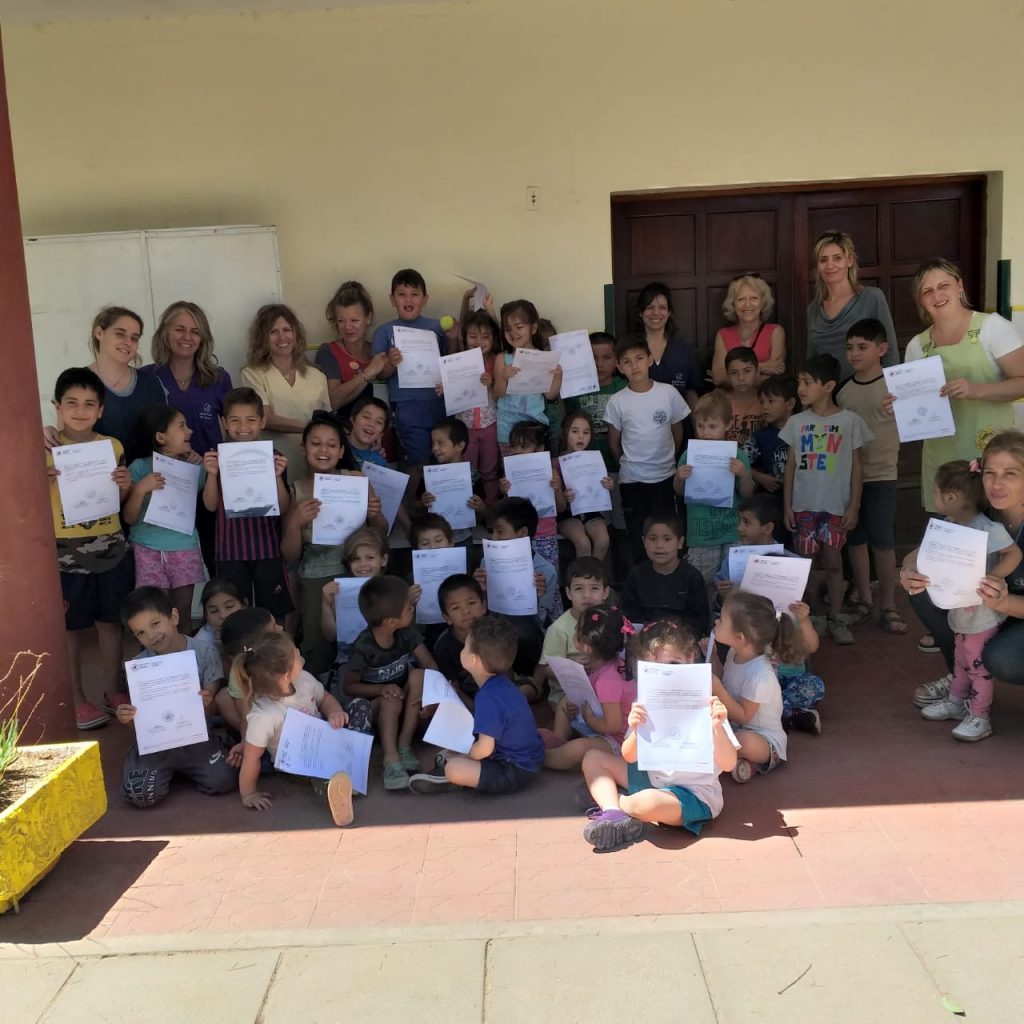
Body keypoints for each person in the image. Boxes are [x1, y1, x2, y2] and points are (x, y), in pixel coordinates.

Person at [579, 621, 736, 851]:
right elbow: (630, 756)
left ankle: (614, 802)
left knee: (644, 803)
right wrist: (634, 727)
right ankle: (613, 812)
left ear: (691, 658)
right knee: (592, 757)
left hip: (693, 795)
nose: (668, 674)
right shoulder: (645, 703)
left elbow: (729, 762)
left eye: (674, 663)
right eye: (658, 669)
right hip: (651, 778)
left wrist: (718, 727)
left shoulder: (707, 704)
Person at [902, 431, 1024, 710]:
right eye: (990, 472)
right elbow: (920, 553)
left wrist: (1005, 601)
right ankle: (961, 675)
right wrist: (908, 570)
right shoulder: (980, 510)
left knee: (1003, 658)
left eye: (1010, 474)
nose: (997, 483)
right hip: (990, 609)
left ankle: (977, 681)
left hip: (1014, 611)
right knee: (923, 592)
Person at [899, 258, 1024, 512]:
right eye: (927, 291)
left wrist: (976, 390)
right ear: (920, 300)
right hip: (942, 459)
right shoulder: (917, 346)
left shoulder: (992, 328)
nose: (937, 295)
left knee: (997, 539)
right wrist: (900, 407)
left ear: (959, 286)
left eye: (943, 285)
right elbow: (918, 413)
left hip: (992, 460)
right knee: (951, 543)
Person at [47, 367, 134, 729]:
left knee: (111, 623)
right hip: (65, 554)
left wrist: (126, 484)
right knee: (71, 629)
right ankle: (77, 698)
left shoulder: (111, 447)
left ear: (100, 410)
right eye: (71, 403)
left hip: (111, 548)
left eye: (89, 404)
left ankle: (112, 690)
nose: (80, 411)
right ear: (57, 407)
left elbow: (120, 498)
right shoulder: (46, 449)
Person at [280, 411, 386, 677]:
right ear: (303, 449)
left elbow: (381, 534)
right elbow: (290, 555)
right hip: (316, 577)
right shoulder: (296, 489)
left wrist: (375, 515)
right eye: (316, 443)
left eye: (331, 444)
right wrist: (295, 523)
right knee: (320, 649)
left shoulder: (357, 480)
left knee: (369, 642)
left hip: (360, 572)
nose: (323, 450)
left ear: (341, 451)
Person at [780, 354, 872, 645]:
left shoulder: (850, 421)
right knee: (804, 565)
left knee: (833, 563)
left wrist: (854, 505)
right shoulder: (796, 422)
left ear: (829, 385)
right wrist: (787, 506)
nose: (801, 389)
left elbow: (858, 467)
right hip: (803, 507)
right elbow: (791, 467)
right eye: (799, 382)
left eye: (808, 382)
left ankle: (835, 615)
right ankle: (809, 617)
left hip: (835, 507)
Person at [116, 587, 235, 808]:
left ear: (174, 616)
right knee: (139, 794)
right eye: (140, 633)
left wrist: (206, 702)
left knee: (225, 780)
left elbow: (212, 708)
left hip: (197, 737)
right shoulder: (138, 666)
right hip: (158, 744)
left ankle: (208, 752)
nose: (151, 636)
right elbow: (140, 720)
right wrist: (128, 717)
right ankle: (145, 760)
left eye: (155, 624)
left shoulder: (205, 653)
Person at [408, 615, 545, 795]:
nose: (462, 649)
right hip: (530, 759)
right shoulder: (505, 684)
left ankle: (453, 779)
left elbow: (485, 749)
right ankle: (460, 770)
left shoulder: (487, 697)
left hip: (512, 770)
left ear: (474, 660)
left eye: (465, 646)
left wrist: (466, 756)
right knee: (453, 753)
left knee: (454, 767)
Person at [142, 301, 232, 571]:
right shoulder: (147, 377)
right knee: (168, 567)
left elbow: (237, 427)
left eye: (195, 331)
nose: (187, 337)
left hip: (209, 484)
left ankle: (220, 613)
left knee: (217, 561)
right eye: (180, 329)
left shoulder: (218, 378)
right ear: (165, 333)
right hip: (164, 487)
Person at [234, 631, 357, 827]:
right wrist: (248, 793)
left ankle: (352, 765)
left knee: (360, 707)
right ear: (286, 675)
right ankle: (336, 794)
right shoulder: (264, 715)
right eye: (295, 654)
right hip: (300, 761)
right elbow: (252, 757)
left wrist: (335, 711)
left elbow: (324, 698)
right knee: (316, 776)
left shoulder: (305, 679)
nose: (300, 653)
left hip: (326, 736)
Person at [836, 318, 905, 634]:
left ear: (882, 348)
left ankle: (889, 605)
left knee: (883, 541)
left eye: (862, 347)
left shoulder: (896, 387)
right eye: (850, 347)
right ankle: (863, 599)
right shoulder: (843, 392)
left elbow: (920, 419)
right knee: (856, 539)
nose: (854, 353)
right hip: (850, 479)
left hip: (881, 475)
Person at [201, 387, 293, 622]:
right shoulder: (217, 457)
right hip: (229, 550)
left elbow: (283, 507)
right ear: (224, 422)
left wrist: (276, 476)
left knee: (273, 613)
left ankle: (275, 657)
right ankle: (238, 658)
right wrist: (211, 474)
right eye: (235, 421)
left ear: (262, 421)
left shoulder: (273, 457)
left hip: (267, 549)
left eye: (251, 420)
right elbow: (210, 506)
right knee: (234, 615)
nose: (243, 428)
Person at [343, 575, 435, 791]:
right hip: (377, 710)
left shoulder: (406, 633)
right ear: (392, 621)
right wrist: (380, 689)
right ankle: (391, 759)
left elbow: (429, 664)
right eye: (409, 608)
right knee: (390, 699)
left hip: (407, 704)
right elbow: (349, 687)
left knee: (420, 676)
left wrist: (431, 694)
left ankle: (404, 745)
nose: (413, 608)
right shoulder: (364, 647)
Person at [604, 335, 689, 563]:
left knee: (668, 531)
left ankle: (669, 578)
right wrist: (629, 463)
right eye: (627, 361)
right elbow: (614, 442)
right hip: (633, 480)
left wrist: (668, 459)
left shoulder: (668, 393)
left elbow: (677, 432)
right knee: (638, 534)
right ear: (619, 367)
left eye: (639, 358)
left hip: (665, 477)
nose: (635, 365)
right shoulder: (617, 401)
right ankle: (643, 584)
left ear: (650, 359)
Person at [123, 405, 207, 628]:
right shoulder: (140, 467)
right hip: (146, 548)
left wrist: (197, 468)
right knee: (152, 613)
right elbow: (129, 518)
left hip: (183, 547)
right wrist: (141, 488)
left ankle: (183, 659)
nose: (189, 431)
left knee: (183, 613)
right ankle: (156, 660)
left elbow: (205, 500)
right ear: (161, 436)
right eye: (182, 426)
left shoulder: (194, 467)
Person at [674, 390, 754, 596]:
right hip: (701, 534)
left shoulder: (738, 456)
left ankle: (730, 624)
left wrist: (743, 475)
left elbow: (747, 494)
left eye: (712, 426)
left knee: (733, 585)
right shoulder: (689, 455)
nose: (706, 432)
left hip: (731, 531)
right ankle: (706, 624)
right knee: (702, 586)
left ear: (727, 425)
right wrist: (679, 478)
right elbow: (679, 492)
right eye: (700, 426)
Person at [543, 603, 637, 771]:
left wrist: (589, 719)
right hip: (600, 721)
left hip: (619, 741)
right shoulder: (605, 663)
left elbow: (613, 725)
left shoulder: (608, 680)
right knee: (565, 704)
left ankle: (543, 758)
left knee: (577, 749)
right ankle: (558, 742)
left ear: (584, 644)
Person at [712, 591, 794, 783]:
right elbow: (724, 680)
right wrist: (714, 656)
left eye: (721, 620)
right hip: (731, 725)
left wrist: (717, 689)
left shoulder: (760, 675)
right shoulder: (735, 652)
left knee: (744, 741)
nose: (716, 622)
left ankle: (745, 761)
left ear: (739, 637)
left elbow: (743, 715)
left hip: (762, 738)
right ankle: (743, 764)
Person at [371, 268, 449, 467]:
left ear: (425, 299)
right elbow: (381, 373)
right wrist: (391, 362)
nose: (408, 300)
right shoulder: (384, 331)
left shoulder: (437, 327)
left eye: (415, 295)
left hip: (440, 403)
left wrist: (454, 338)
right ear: (392, 299)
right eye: (401, 295)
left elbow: (450, 361)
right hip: (406, 407)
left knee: (444, 459)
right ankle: (415, 499)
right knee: (417, 462)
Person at [241, 303, 331, 471]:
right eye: (273, 332)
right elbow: (265, 418)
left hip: (313, 463)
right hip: (272, 463)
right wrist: (310, 427)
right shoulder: (253, 374)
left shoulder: (317, 376)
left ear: (296, 333)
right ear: (263, 338)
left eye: (287, 330)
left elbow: (328, 423)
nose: (282, 338)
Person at [806, 229, 897, 379]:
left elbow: (890, 351)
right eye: (823, 260)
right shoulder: (813, 310)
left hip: (868, 392)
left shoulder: (872, 297)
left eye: (837, 258)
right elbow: (812, 360)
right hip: (828, 397)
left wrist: (891, 390)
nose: (830, 265)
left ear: (849, 261)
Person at [84, 306, 167, 464]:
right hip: (98, 484)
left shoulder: (151, 384)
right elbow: (65, 437)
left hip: (148, 483)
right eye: (120, 334)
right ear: (99, 333)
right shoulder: (76, 382)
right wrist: (48, 433)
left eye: (134, 338)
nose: (128, 342)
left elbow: (165, 438)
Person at [533, 556, 611, 706]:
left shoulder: (611, 621)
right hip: (567, 693)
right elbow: (545, 670)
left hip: (604, 687)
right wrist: (570, 667)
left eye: (594, 588)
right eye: (579, 589)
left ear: (605, 592)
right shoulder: (559, 629)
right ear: (568, 593)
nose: (587, 596)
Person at [500, 420, 565, 600]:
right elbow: (508, 513)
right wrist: (505, 492)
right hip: (520, 537)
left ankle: (551, 624)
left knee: (549, 583)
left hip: (546, 537)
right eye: (514, 446)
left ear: (540, 448)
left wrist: (558, 489)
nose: (517, 451)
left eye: (524, 446)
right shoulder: (509, 474)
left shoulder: (551, 472)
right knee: (524, 583)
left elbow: (561, 508)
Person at [621, 514, 709, 637]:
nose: (659, 545)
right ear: (644, 542)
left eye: (667, 539)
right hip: (644, 642)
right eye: (652, 539)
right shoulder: (636, 576)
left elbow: (699, 621)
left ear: (680, 542)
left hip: (681, 643)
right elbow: (630, 617)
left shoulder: (692, 577)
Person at [492, 298, 561, 455]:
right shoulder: (502, 358)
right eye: (508, 328)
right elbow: (498, 394)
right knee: (512, 473)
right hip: (507, 429)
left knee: (534, 473)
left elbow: (550, 395)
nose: (513, 332)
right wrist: (503, 377)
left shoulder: (543, 357)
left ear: (533, 328)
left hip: (534, 430)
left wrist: (557, 377)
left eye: (519, 326)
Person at [315, 280, 389, 422]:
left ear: (368, 318)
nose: (347, 327)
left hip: (384, 437)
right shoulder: (328, 352)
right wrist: (367, 373)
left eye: (354, 320)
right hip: (345, 437)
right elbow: (333, 401)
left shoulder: (379, 351)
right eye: (341, 321)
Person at [449, 308, 500, 505]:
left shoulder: (497, 361)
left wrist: (492, 383)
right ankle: (464, 512)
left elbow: (502, 390)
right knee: (466, 471)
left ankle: (490, 510)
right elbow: (450, 383)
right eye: (473, 336)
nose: (479, 342)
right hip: (465, 426)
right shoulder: (459, 361)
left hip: (490, 424)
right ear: (465, 337)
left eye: (485, 336)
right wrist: (444, 387)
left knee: (489, 470)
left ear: (493, 338)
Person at [630, 282, 700, 411]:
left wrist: (698, 429)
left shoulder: (684, 350)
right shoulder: (629, 349)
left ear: (669, 312)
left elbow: (691, 394)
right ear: (641, 312)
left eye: (662, 307)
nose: (656, 312)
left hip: (679, 427)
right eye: (650, 307)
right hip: (640, 426)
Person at [556, 410, 613, 561]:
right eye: (575, 431)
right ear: (565, 433)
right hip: (567, 514)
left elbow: (601, 488)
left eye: (586, 432)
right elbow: (554, 499)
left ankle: (594, 577)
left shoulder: (595, 460)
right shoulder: (556, 463)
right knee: (583, 543)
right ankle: (580, 580)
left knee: (603, 541)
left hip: (591, 510)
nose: (581, 436)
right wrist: (563, 496)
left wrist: (608, 485)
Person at [711, 274, 786, 385]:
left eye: (754, 298)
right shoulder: (723, 334)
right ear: (733, 304)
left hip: (764, 399)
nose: (747, 304)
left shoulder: (776, 331)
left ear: (763, 302)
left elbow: (775, 375)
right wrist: (762, 366)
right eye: (741, 299)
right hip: (729, 400)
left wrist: (732, 373)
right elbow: (718, 377)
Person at [749, 375, 799, 494]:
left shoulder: (805, 433)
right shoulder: (760, 437)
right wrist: (759, 477)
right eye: (762, 402)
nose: (765, 407)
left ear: (790, 404)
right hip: (769, 500)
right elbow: (739, 462)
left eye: (771, 401)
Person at [722, 347, 766, 453]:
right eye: (734, 373)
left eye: (747, 371)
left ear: (758, 371)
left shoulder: (767, 402)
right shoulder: (720, 402)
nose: (741, 378)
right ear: (727, 375)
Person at [345, 395, 392, 469]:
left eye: (379, 422)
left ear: (382, 433)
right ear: (353, 419)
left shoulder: (379, 462)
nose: (371, 424)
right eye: (366, 417)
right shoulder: (335, 446)